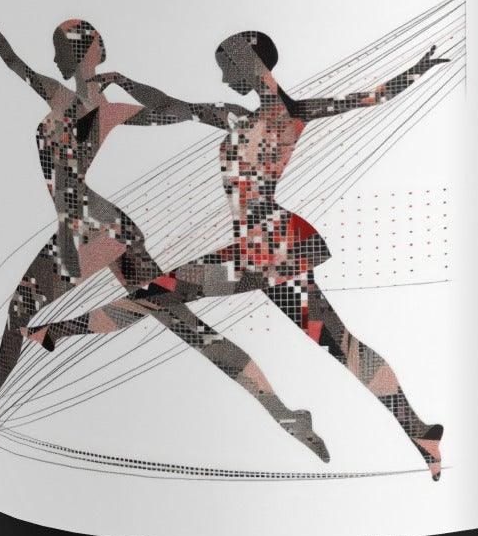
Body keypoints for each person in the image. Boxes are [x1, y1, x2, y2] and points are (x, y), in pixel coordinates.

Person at [75, 30, 449, 478]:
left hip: (266, 246)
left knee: (159, 292)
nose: (221, 76)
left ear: (247, 61)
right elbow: (173, 105)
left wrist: (416, 70)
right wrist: (124, 80)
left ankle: (56, 333)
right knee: (342, 345)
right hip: (269, 249)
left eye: (226, 65)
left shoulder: (289, 113)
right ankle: (419, 431)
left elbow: (367, 98)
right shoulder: (237, 117)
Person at [0, 10, 324, 461]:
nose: (57, 57)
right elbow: (17, 64)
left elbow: (172, 110)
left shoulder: (80, 103)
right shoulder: (89, 103)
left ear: (78, 54)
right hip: (98, 227)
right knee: (185, 326)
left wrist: (208, 112)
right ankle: (283, 413)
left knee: (24, 311)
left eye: (63, 48)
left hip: (91, 229)